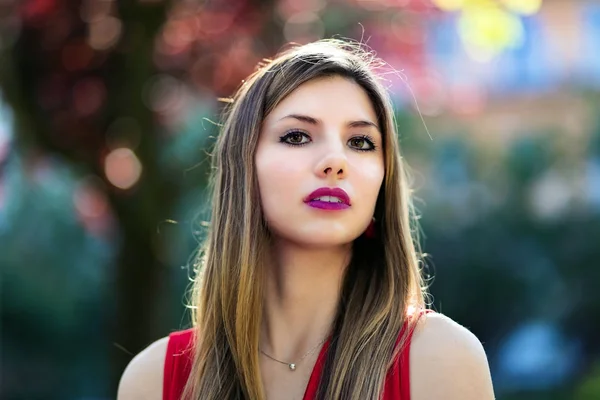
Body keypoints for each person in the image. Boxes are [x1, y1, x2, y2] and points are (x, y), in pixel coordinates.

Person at [117, 39, 495, 400]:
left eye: (360, 142)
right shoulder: (152, 381)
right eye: (297, 136)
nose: (335, 160)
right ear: (245, 167)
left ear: (383, 181)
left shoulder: (441, 360)